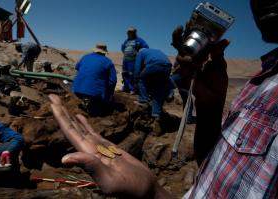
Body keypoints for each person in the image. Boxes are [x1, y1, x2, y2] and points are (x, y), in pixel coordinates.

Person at [49, 0, 278, 198]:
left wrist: (135, 84)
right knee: (163, 90)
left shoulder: (138, 49)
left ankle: (149, 108)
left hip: (150, 69)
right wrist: (209, 108)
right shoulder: (260, 82)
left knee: (145, 85)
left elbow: (132, 67)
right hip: (165, 68)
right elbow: (220, 170)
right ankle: (158, 114)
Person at [72, 43, 117, 116]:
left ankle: (86, 102)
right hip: (95, 94)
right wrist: (110, 94)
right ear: (104, 53)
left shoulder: (85, 57)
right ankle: (98, 107)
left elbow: (77, 67)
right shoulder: (108, 61)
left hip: (77, 90)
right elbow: (113, 80)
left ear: (94, 50)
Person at [134, 48, 172, 118]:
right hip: (168, 66)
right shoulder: (156, 51)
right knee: (158, 89)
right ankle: (156, 113)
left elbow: (137, 68)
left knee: (141, 79)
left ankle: (143, 100)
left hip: (155, 65)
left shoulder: (141, 53)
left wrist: (136, 81)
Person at [121, 27, 149, 93]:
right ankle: (126, 87)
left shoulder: (139, 40)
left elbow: (145, 47)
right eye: (128, 32)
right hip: (125, 60)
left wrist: (138, 53)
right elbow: (122, 47)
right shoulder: (126, 41)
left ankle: (132, 88)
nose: (129, 33)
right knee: (124, 73)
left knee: (131, 74)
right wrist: (125, 52)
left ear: (134, 33)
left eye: (131, 32)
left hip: (133, 60)